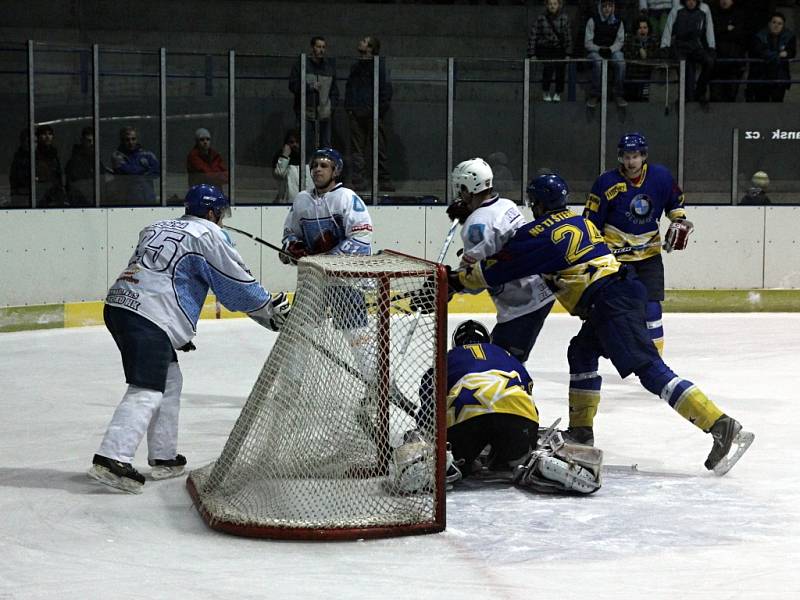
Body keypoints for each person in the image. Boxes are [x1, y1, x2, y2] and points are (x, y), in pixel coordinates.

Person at [449, 173, 754, 476]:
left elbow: (496, 270)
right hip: (618, 293)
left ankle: (719, 424)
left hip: (609, 302)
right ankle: (581, 431)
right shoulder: (582, 222)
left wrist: (456, 280)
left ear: (536, 203)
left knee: (650, 370)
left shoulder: (538, 234)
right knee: (580, 351)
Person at [88, 184, 291, 494]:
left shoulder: (155, 227)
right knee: (147, 389)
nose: (221, 220)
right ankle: (112, 457)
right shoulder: (208, 234)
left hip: (119, 305)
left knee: (169, 380)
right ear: (211, 213)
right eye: (220, 214)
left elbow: (152, 272)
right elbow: (233, 280)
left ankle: (164, 457)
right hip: (150, 315)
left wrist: (174, 328)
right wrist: (267, 308)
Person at [406, 320, 602, 495]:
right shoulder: (508, 357)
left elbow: (429, 414)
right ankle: (532, 462)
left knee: (461, 462)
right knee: (514, 459)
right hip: (517, 412)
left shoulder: (446, 359)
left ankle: (447, 463)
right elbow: (528, 394)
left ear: (455, 343)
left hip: (467, 417)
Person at [583, 132, 689, 355]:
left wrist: (678, 221)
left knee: (652, 308)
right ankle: (621, 352)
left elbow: (674, 204)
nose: (631, 162)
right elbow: (591, 223)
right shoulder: (606, 182)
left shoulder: (660, 177)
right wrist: (598, 252)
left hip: (649, 257)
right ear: (620, 157)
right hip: (617, 261)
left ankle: (655, 359)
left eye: (635, 156)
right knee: (622, 311)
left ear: (643, 156)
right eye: (626, 157)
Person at [445, 158, 554, 364]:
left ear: (468, 188)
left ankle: (515, 395)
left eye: (460, 187)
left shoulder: (476, 224)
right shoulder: (506, 204)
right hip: (538, 289)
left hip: (523, 303)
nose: (459, 193)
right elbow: (502, 244)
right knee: (498, 357)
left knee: (501, 366)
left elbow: (474, 280)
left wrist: (450, 284)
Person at [345, 35, 394, 192]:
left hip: (373, 113)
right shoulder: (356, 67)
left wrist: (378, 110)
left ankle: (383, 179)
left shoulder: (379, 67)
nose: (360, 42)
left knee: (379, 148)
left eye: (365, 41)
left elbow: (386, 90)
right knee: (357, 150)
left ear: (371, 48)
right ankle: (359, 180)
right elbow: (350, 88)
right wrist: (350, 108)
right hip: (358, 112)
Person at [288, 36, 339, 159]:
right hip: (306, 112)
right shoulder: (302, 65)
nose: (321, 50)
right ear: (312, 48)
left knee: (325, 146)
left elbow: (334, 90)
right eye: (318, 47)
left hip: (324, 113)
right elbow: (293, 85)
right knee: (306, 145)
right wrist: (309, 87)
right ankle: (307, 173)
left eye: (323, 47)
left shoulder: (329, 67)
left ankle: (323, 173)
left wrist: (331, 107)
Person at [661, 0, 716, 104]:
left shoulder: (705, 9)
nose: (691, 2)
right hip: (680, 46)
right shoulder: (677, 9)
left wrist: (712, 46)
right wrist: (664, 46)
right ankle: (685, 97)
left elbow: (709, 28)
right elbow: (668, 28)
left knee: (709, 62)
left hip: (696, 46)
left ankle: (700, 92)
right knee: (685, 71)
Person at [528, 0, 573, 103]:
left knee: (560, 69)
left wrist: (568, 53)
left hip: (559, 48)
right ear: (547, 5)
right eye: (550, 4)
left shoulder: (564, 18)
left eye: (555, 4)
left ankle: (558, 92)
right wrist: (532, 53)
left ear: (559, 5)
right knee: (548, 68)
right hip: (545, 47)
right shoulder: (541, 18)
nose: (552, 6)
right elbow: (533, 35)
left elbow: (568, 36)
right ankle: (546, 91)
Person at [585, 0, 628, 108]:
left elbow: (620, 41)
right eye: (604, 6)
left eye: (610, 6)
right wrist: (599, 49)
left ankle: (618, 94)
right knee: (599, 62)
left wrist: (611, 49)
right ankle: (594, 94)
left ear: (613, 7)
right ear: (600, 7)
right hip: (595, 52)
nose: (607, 8)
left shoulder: (619, 21)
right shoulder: (592, 20)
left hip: (611, 51)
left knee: (621, 61)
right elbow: (587, 43)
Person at [746, 12, 797, 102]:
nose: (776, 25)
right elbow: (760, 52)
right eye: (774, 22)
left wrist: (771, 55)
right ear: (769, 23)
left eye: (779, 23)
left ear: (783, 26)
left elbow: (791, 52)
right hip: (762, 78)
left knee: (777, 106)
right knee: (762, 105)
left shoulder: (789, 36)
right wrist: (778, 54)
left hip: (779, 78)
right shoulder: (760, 36)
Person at [109, 127, 160, 204]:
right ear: (122, 141)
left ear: (137, 139)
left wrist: (141, 174)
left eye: (133, 139)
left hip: (148, 198)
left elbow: (157, 171)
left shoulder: (147, 154)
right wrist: (145, 169)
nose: (131, 142)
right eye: (127, 140)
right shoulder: (117, 155)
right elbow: (130, 173)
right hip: (127, 201)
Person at [709, 0, 747, 102]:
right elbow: (711, 34)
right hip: (716, 66)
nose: (725, 1)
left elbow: (740, 35)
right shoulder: (712, 14)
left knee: (730, 98)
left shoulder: (740, 15)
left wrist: (721, 31)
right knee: (715, 99)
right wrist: (726, 28)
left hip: (734, 65)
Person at [624, 17, 662, 102]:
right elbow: (627, 55)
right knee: (630, 100)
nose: (642, 30)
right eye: (640, 28)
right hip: (632, 75)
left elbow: (656, 55)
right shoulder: (629, 39)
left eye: (645, 28)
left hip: (647, 75)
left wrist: (646, 54)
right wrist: (640, 48)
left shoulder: (654, 40)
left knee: (644, 100)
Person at [272, 129, 312, 203]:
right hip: (288, 204)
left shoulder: (308, 159)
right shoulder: (282, 158)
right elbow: (279, 174)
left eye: (297, 142)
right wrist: (284, 156)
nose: (295, 145)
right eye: (291, 142)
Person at [32, 124, 68, 207]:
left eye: (50, 134)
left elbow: (59, 175)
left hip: (55, 195)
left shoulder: (56, 154)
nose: (47, 137)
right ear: (38, 137)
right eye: (44, 134)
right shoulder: (34, 155)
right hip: (40, 196)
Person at [65, 126, 97, 207]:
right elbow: (75, 185)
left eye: (94, 141)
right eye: (89, 141)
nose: (92, 143)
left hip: (92, 200)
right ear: (82, 141)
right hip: (80, 203)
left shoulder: (95, 159)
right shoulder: (74, 161)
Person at [9, 128, 31, 207]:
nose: (32, 144)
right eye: (28, 141)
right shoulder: (19, 160)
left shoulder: (40, 157)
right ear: (23, 142)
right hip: (22, 198)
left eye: (35, 142)